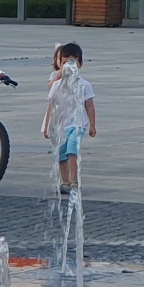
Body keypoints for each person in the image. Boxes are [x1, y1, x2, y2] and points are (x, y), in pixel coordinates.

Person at [41, 42, 96, 193]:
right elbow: (51, 105)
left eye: (72, 62)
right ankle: (64, 181)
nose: (68, 67)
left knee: (73, 149)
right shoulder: (57, 84)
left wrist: (92, 124)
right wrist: (46, 125)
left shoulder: (84, 85)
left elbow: (89, 105)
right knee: (61, 154)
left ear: (80, 64)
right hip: (60, 125)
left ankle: (74, 180)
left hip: (77, 124)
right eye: (65, 63)